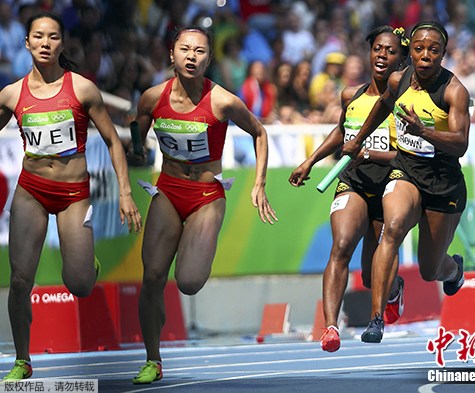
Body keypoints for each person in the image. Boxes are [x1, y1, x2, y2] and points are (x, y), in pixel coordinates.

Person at [131, 26, 278, 384]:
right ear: (172, 54)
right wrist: (137, 144)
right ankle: (153, 360)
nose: (192, 56)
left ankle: (189, 242)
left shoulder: (223, 101)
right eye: (185, 49)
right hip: (168, 189)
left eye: (200, 51)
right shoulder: (152, 97)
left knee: (189, 282)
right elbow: (138, 123)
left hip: (206, 195)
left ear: (209, 59)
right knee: (151, 278)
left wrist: (259, 183)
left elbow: (259, 132)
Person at [0, 12, 142, 381]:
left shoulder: (81, 88)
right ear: (26, 43)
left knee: (79, 284)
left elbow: (113, 140)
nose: (45, 43)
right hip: (31, 191)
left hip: (74, 194)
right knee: (19, 279)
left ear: (62, 44)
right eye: (38, 37)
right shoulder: (12, 94)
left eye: (53, 37)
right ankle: (22, 358)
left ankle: (86, 264)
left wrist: (125, 193)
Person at [342, 21, 470, 343]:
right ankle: (376, 319)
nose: (425, 56)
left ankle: (454, 270)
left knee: (430, 270)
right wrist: (359, 139)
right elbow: (383, 105)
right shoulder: (399, 80)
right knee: (393, 227)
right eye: (418, 49)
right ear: (410, 51)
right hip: (405, 171)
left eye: (433, 50)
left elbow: (461, 143)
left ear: (443, 54)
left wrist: (424, 132)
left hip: (443, 184)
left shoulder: (454, 91)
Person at [289, 26, 410, 352]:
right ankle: (330, 328)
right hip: (353, 183)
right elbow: (343, 132)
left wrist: (368, 152)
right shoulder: (350, 95)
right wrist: (311, 160)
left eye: (391, 51)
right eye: (378, 49)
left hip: (390, 185)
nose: (383, 56)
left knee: (373, 278)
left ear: (402, 59)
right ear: (369, 53)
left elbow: (406, 154)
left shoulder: (407, 100)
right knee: (341, 245)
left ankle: (393, 287)